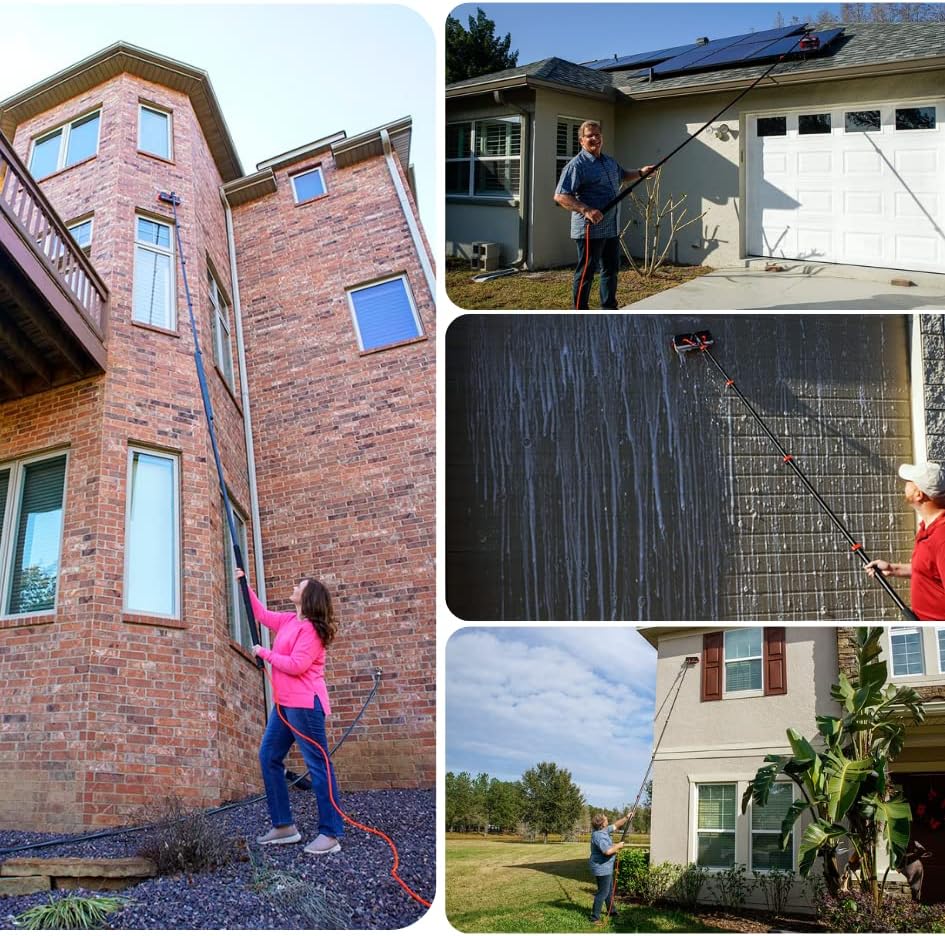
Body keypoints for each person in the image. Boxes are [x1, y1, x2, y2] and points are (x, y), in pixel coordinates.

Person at [236, 568, 346, 854]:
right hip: (284, 704)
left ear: (308, 597)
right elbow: (260, 614)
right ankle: (284, 826)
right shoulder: (288, 620)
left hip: (306, 705)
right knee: (269, 756)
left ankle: (331, 834)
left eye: (300, 586)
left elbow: (296, 665)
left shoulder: (311, 631)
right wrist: (243, 582)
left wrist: (264, 653)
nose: (294, 587)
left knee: (318, 766)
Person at [554, 120, 654, 310]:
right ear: (581, 141)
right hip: (590, 229)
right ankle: (580, 311)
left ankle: (608, 307)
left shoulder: (609, 161)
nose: (595, 138)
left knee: (611, 269)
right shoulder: (577, 165)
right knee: (587, 272)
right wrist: (587, 210)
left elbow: (623, 175)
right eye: (589, 135)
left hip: (611, 227)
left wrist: (641, 172)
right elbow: (560, 196)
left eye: (597, 134)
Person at [865, 461, 945, 620]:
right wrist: (893, 569)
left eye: (909, 482)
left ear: (919, 494)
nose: (905, 485)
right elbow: (930, 571)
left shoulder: (941, 536)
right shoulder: (928, 528)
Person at [588, 812, 634, 924]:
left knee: (608, 892)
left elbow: (615, 825)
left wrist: (626, 818)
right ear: (602, 824)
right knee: (603, 893)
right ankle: (594, 918)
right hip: (601, 868)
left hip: (606, 867)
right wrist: (618, 846)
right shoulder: (599, 836)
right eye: (605, 819)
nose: (607, 819)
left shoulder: (603, 830)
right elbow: (607, 851)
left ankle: (612, 911)